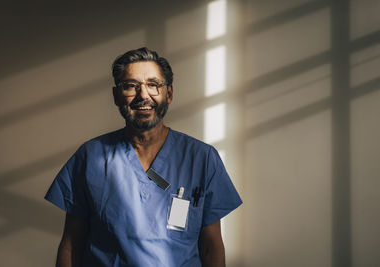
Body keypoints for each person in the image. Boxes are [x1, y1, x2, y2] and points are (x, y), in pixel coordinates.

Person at [45, 47, 242, 267]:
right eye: (130, 86)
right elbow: (72, 243)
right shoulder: (90, 157)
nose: (143, 95)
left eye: (153, 85)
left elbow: (211, 247)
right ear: (116, 96)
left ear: (169, 94)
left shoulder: (202, 159)